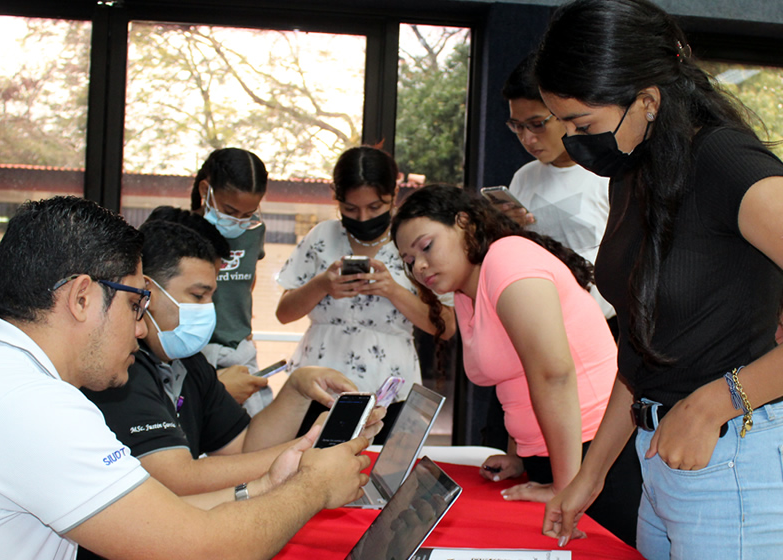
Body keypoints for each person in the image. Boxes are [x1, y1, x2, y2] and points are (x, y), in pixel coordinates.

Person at [532, 0, 783, 559]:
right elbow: (642, 345)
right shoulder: (635, 169)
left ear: (647, 99)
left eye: (582, 122)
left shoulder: (726, 162)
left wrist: (717, 402)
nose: (573, 140)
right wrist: (592, 473)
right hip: (662, 461)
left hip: (733, 467)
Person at [0, 196, 370, 560]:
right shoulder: (31, 406)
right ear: (81, 298)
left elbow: (159, 518)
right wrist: (311, 489)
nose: (141, 328)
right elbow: (199, 550)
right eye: (136, 303)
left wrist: (270, 486)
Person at [391, 184, 642, 546]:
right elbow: (515, 381)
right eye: (409, 261)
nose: (420, 266)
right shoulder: (465, 292)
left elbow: (553, 375)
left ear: (465, 224)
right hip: (557, 457)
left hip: (597, 457)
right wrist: (520, 457)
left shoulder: (509, 258)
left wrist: (566, 484)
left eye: (426, 246)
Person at [275, 146, 456, 415]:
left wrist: (393, 291)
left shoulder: (413, 241)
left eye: (375, 207)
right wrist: (322, 285)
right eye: (350, 208)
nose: (363, 218)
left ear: (394, 193)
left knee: (378, 457)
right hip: (318, 387)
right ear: (335, 198)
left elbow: (446, 326)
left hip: (389, 389)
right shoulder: (322, 237)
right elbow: (284, 313)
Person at [500, 54, 617, 334]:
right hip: (540, 326)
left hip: (603, 327)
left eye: (538, 124)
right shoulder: (524, 177)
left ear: (565, 113)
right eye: (517, 126)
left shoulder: (608, 174)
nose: (528, 138)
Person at [190, 148, 271, 415]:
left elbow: (247, 282)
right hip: (193, 351)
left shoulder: (254, 232)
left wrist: (241, 327)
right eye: (230, 210)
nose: (238, 221)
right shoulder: (181, 231)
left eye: (248, 213)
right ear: (206, 190)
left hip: (238, 349)